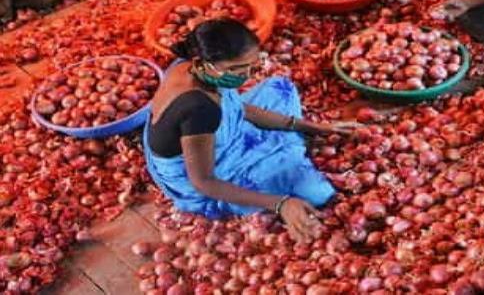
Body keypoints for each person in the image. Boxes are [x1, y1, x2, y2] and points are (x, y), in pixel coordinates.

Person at [144, 18, 357, 242]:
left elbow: (237, 108)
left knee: (280, 87)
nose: (246, 75)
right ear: (201, 62)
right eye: (235, 68)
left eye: (251, 65)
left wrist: (311, 126)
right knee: (317, 192)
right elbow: (203, 182)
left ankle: (282, 146)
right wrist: (280, 204)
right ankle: (277, 161)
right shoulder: (199, 108)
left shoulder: (191, 66)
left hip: (204, 135)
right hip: (198, 172)